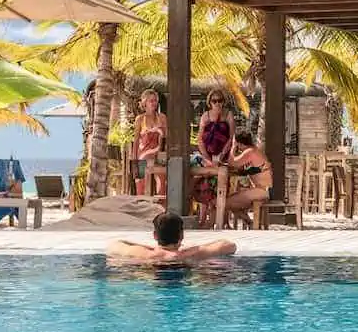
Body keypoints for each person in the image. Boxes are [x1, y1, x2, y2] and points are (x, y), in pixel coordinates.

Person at [106, 212, 236, 266]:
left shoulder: (145, 254)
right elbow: (229, 245)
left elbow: (114, 245)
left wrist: (152, 248)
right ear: (182, 236)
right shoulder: (194, 253)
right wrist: (194, 248)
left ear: (155, 235)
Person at [193, 90, 235, 223]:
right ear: (209, 102)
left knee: (221, 184)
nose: (217, 103)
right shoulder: (205, 116)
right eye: (214, 101)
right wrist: (206, 157)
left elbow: (232, 137)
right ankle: (202, 219)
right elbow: (199, 139)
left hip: (223, 155)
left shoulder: (228, 115)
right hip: (207, 155)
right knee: (205, 184)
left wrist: (222, 154)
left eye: (220, 100)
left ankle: (220, 219)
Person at [226, 131, 272, 228]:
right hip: (264, 190)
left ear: (239, 143)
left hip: (262, 191)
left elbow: (232, 162)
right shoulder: (254, 150)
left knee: (225, 203)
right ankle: (250, 223)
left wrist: (233, 147)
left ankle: (250, 223)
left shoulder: (250, 152)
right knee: (231, 200)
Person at [134, 89, 168, 196]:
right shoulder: (140, 119)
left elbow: (167, 138)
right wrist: (134, 162)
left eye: (155, 100)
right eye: (151, 101)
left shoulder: (162, 118)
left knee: (161, 188)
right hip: (143, 157)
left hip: (158, 157)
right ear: (145, 103)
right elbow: (135, 142)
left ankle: (159, 212)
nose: (154, 103)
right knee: (141, 190)